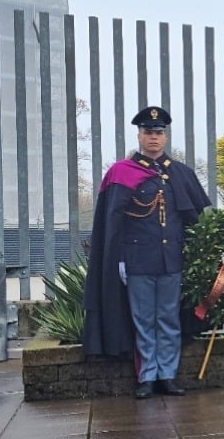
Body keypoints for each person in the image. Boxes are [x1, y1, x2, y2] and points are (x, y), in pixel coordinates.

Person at [83, 106, 212, 399]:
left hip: (172, 260)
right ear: (139, 135)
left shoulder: (180, 173)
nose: (154, 137)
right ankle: (147, 376)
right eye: (148, 132)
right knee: (143, 320)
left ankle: (167, 374)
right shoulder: (121, 173)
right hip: (137, 260)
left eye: (159, 132)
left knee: (168, 318)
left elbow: (196, 223)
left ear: (165, 137)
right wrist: (118, 260)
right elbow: (112, 224)